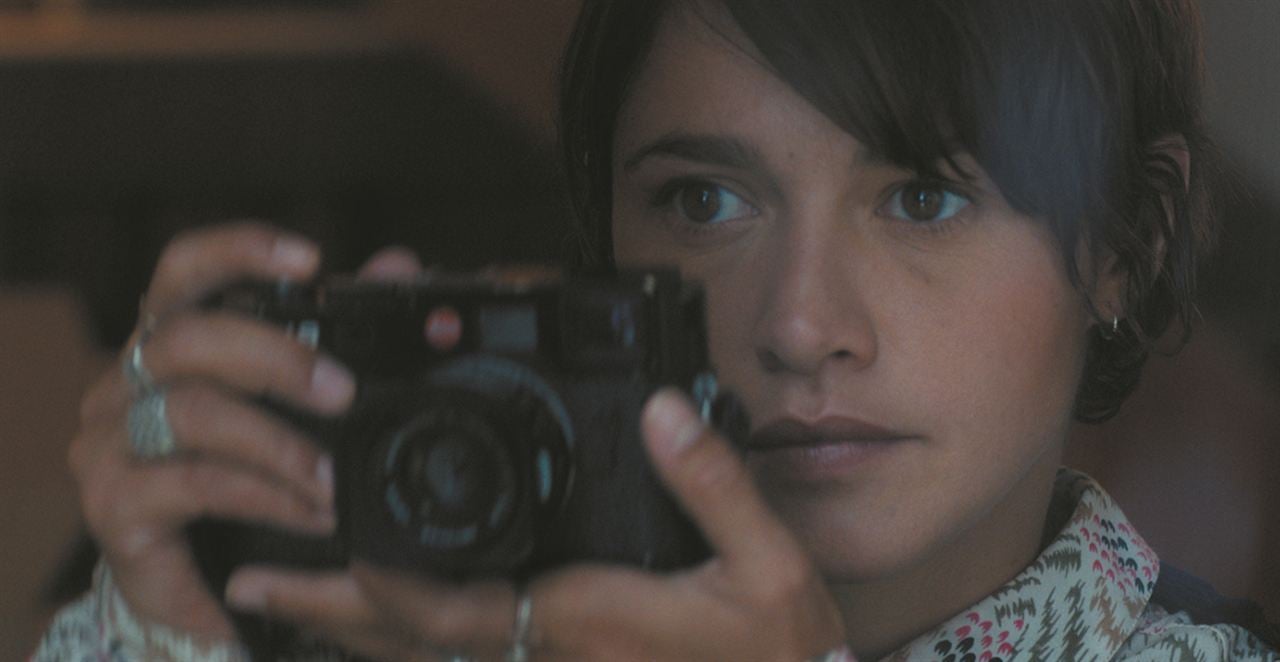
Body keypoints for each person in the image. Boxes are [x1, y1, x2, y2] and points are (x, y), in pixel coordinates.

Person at [34, 0, 1280, 660]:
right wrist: (162, 629)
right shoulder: (391, 630)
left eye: (922, 197)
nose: (798, 324)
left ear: (1123, 245)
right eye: (704, 201)